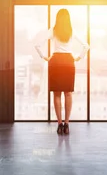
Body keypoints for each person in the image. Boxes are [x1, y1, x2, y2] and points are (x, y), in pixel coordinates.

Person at [33, 8, 89, 136]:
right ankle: (67, 124)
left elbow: (37, 44)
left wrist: (44, 56)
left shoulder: (53, 31)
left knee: (56, 94)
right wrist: (78, 57)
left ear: (57, 18)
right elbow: (86, 46)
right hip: (69, 62)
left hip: (56, 61)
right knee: (68, 94)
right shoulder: (72, 31)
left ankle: (59, 125)